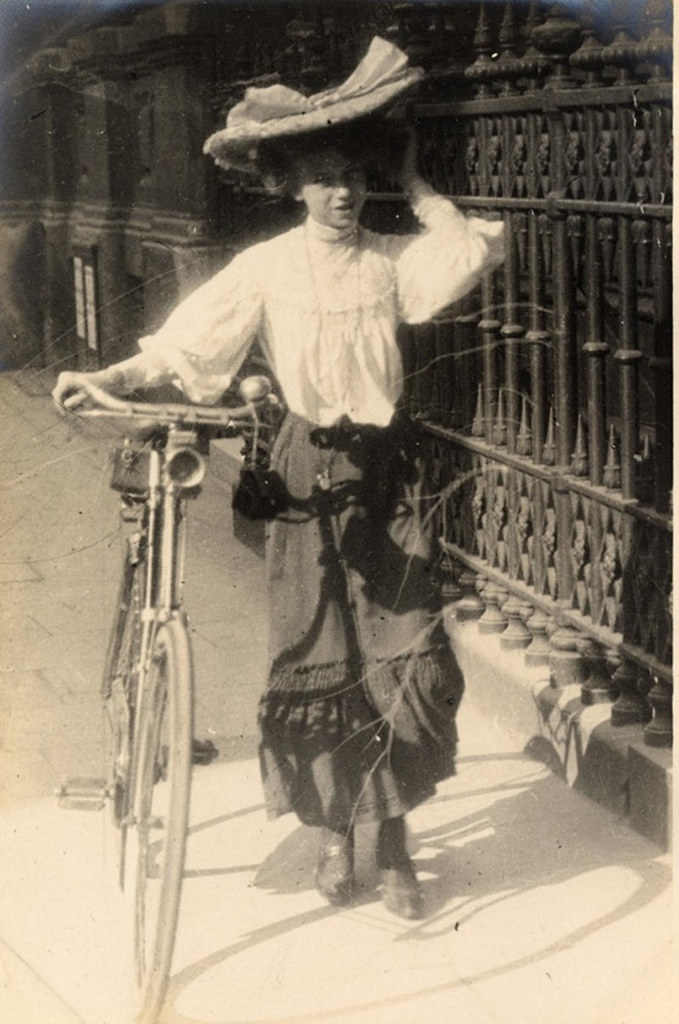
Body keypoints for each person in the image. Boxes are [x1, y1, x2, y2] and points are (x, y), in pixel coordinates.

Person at [53, 37, 504, 920]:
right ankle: (341, 837)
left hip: (386, 473)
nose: (342, 192)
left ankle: (399, 842)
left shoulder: (386, 265)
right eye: (323, 176)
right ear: (291, 186)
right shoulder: (265, 267)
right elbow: (186, 343)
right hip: (302, 477)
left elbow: (461, 253)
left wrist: (413, 182)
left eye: (353, 175)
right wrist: (107, 380)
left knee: (406, 654)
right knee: (321, 653)